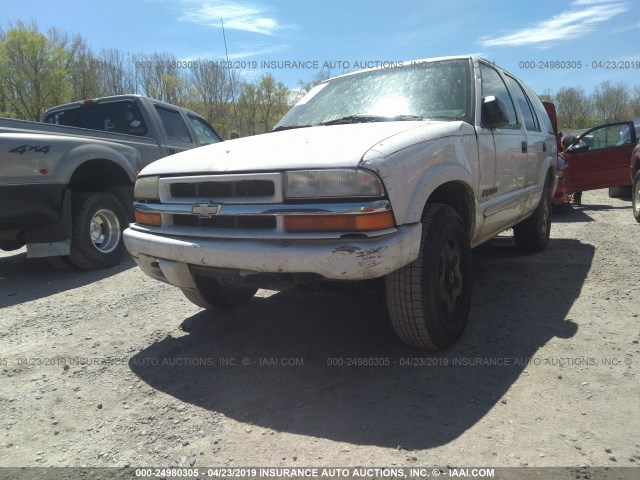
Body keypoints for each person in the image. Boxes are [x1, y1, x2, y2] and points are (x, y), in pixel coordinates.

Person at [561, 135, 582, 205]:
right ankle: (576, 198)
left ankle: (575, 198)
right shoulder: (572, 141)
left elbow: (564, 151)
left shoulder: (565, 142)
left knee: (576, 179)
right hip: (575, 158)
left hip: (574, 159)